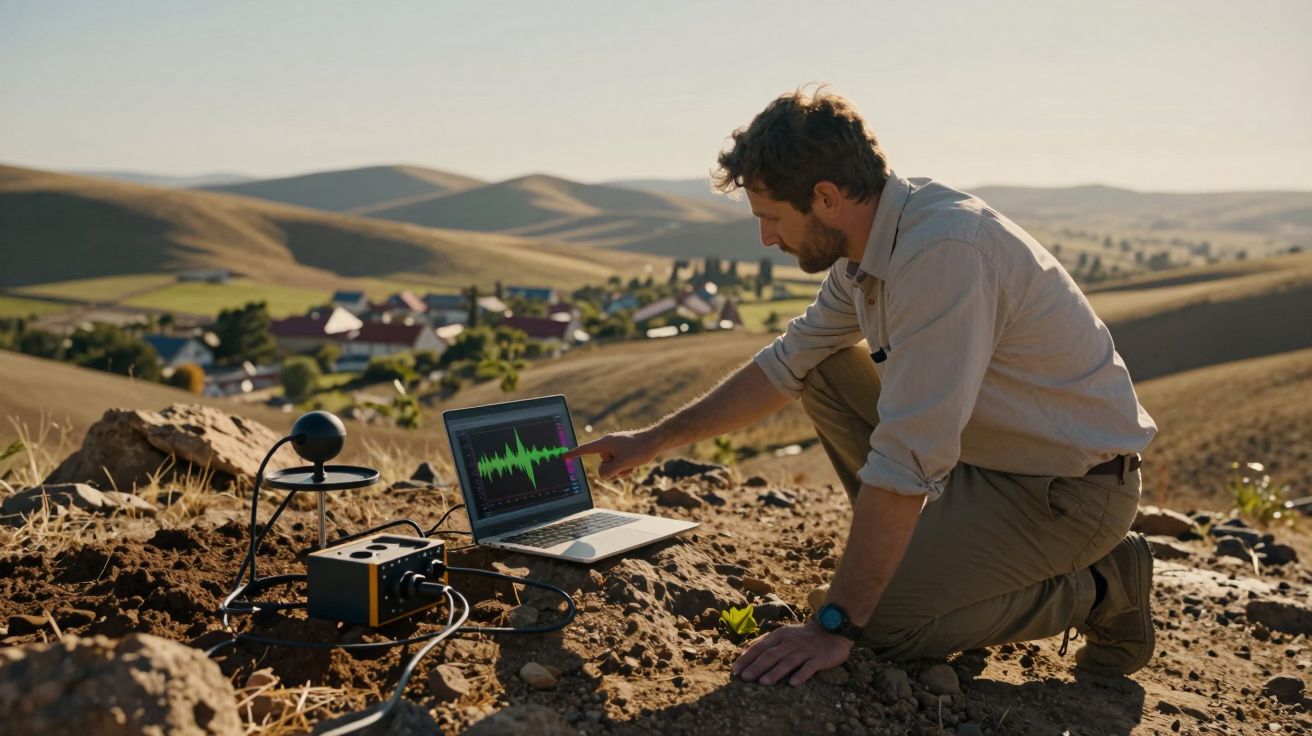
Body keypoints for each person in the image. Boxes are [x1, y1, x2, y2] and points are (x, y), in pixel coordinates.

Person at [565, 86, 1157, 687]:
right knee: (821, 366)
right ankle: (925, 563)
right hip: (985, 464)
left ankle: (1102, 585)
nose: (767, 239)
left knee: (880, 633)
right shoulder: (869, 245)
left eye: (771, 218)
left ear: (825, 198)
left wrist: (835, 625)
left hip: (1067, 494)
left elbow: (908, 454)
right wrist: (655, 438)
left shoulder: (942, 252)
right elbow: (786, 363)